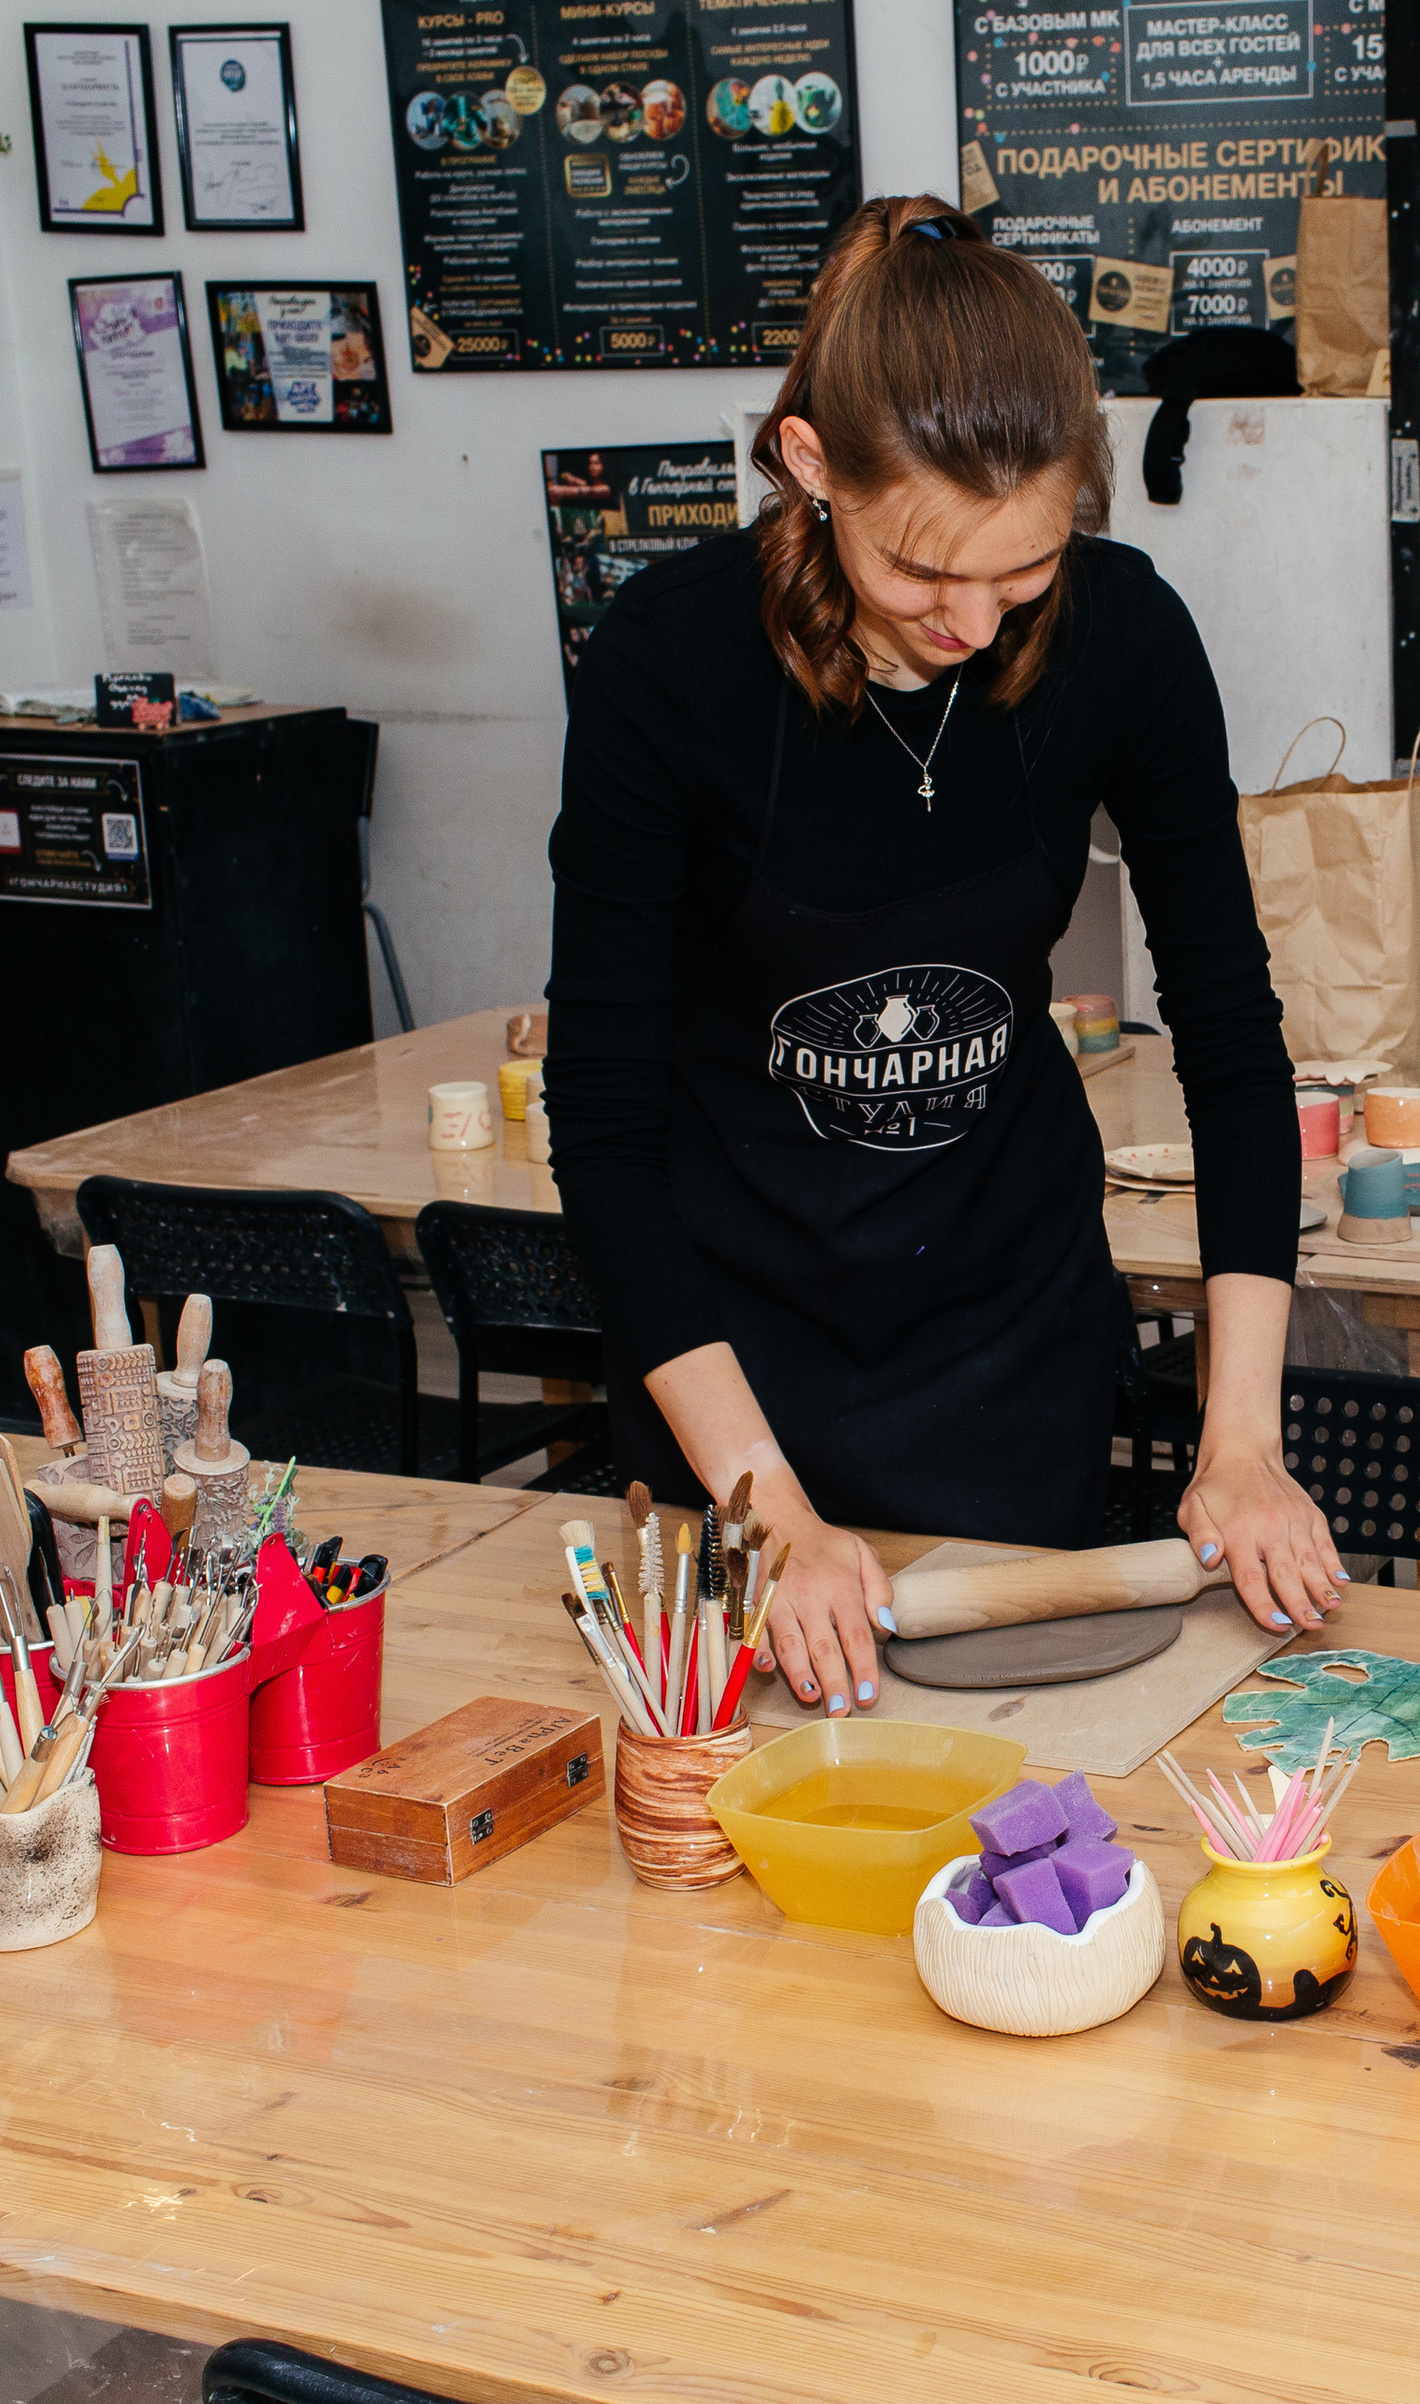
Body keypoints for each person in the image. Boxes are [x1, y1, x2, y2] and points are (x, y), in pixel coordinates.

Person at [545, 194, 1343, 1718]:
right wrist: (765, 1505)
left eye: (1025, 571)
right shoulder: (671, 665)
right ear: (809, 469)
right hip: (728, 1358)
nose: (975, 622)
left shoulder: (1126, 642)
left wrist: (1239, 1441)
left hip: (1004, 1340)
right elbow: (604, 1120)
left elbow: (1234, 1045)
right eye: (921, 573)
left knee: (1009, 1797)